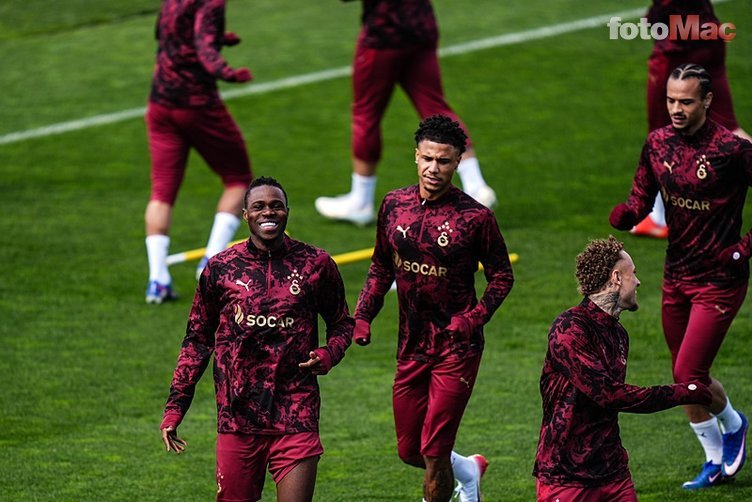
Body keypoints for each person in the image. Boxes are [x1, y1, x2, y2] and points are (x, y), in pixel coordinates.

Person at [160, 176, 354, 501]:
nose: (269, 212)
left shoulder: (316, 264)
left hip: (296, 413)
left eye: (277, 206)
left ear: (287, 211)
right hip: (238, 417)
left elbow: (342, 323)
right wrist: (175, 407)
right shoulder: (220, 269)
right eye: (259, 206)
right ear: (246, 215)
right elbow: (197, 341)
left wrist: (329, 354)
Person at [353, 115, 514, 501]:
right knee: (410, 450)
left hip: (456, 349)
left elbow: (502, 277)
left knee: (434, 450)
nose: (433, 168)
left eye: (443, 161)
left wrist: (474, 319)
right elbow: (380, 266)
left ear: (457, 162)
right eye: (427, 158)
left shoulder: (475, 218)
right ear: (416, 156)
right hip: (411, 346)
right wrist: (363, 316)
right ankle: (469, 470)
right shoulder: (394, 204)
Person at [610, 63, 752, 489]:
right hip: (676, 275)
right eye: (670, 100)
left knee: (690, 370)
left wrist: (742, 249)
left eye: (686, 101)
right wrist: (628, 214)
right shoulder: (657, 143)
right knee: (683, 375)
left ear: (707, 100)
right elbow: (642, 197)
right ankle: (713, 459)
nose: (675, 108)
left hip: (720, 280)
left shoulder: (732, 150)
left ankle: (734, 423)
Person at [533, 236, 713, 501]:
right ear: (616, 278)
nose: (638, 282)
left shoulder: (619, 334)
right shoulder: (569, 328)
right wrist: (684, 392)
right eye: (633, 273)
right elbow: (608, 394)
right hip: (566, 477)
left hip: (613, 472)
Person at [314, 0, 497, 226]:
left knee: (366, 113)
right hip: (421, 24)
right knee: (434, 105)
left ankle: (360, 200)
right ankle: (476, 185)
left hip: (385, 32)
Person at [145, 0, 254, 303]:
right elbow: (205, 51)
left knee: (162, 192)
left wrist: (221, 38)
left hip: (160, 104)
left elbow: (168, 35)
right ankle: (211, 264)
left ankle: (157, 279)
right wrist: (228, 72)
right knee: (238, 179)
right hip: (197, 105)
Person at [632, 0, 752, 239]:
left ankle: (657, 219)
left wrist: (655, 16)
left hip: (676, 49)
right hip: (709, 36)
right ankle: (656, 216)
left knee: (661, 135)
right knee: (731, 128)